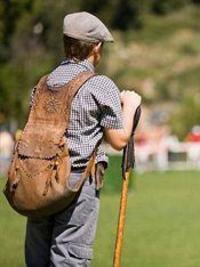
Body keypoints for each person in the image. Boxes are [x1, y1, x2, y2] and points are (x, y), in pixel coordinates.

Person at [24, 12, 141, 266]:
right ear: (96, 47)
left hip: (37, 181)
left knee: (37, 258)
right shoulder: (99, 85)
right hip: (75, 181)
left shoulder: (43, 83)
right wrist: (130, 106)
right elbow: (119, 140)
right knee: (68, 257)